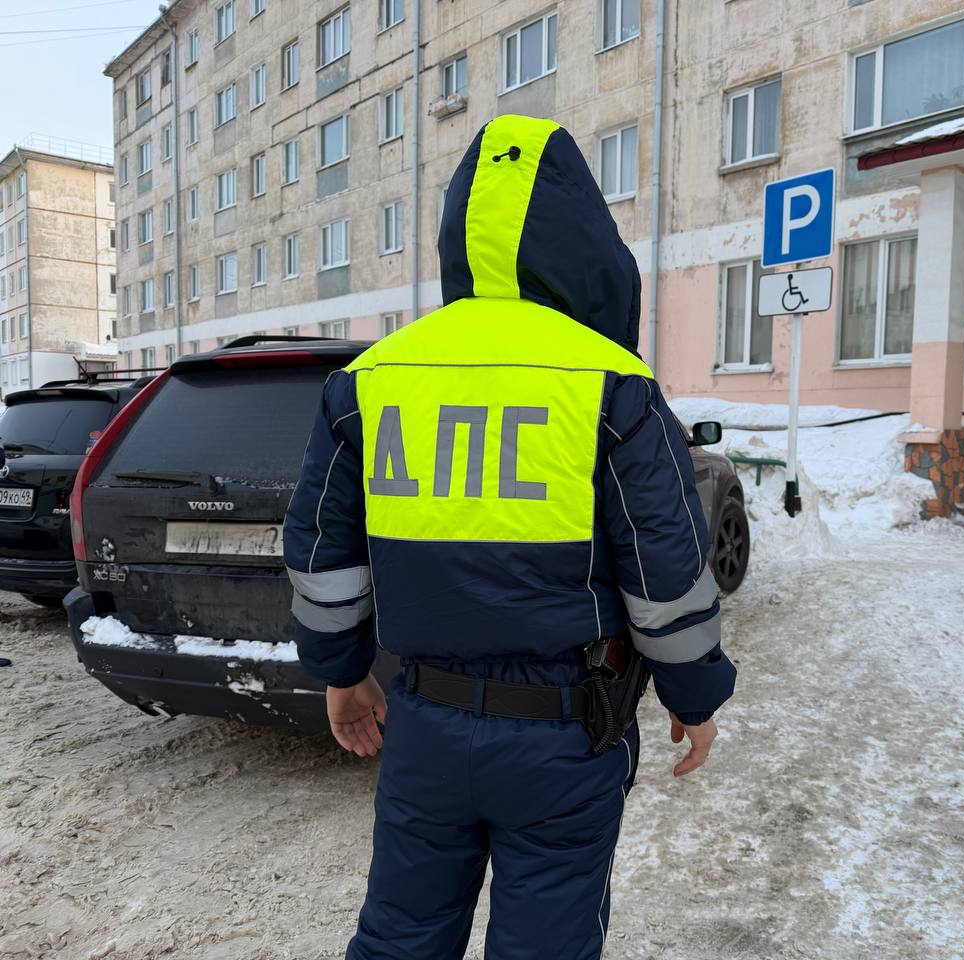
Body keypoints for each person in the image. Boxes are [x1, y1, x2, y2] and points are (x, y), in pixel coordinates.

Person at [283, 114, 737, 960]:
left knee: (401, 935)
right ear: (584, 243)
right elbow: (666, 572)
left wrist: (341, 675)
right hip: (567, 734)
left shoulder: (371, 380)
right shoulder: (613, 383)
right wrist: (695, 695)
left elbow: (323, 556)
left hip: (423, 722)